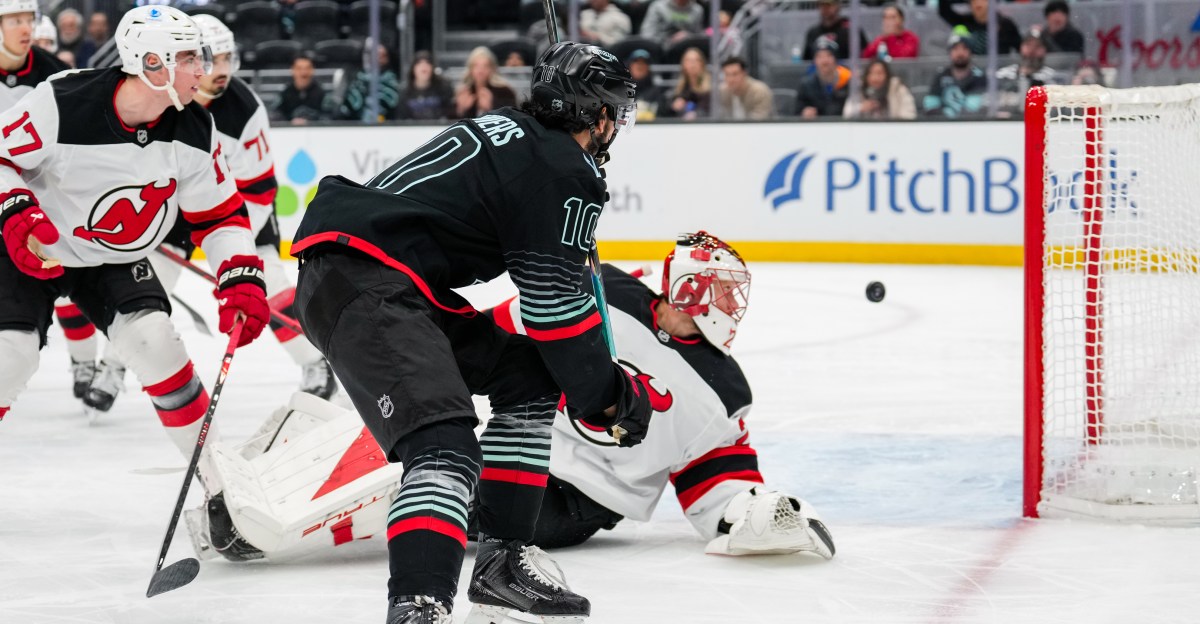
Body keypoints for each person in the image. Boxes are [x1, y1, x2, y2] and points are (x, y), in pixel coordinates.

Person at [185, 233, 837, 565]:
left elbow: (716, 479)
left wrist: (756, 513)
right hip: (521, 438)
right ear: (687, 289)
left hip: (574, 503)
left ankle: (258, 535)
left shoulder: (724, 389)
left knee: (435, 483)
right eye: (722, 292)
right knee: (424, 439)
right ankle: (258, 503)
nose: (732, 307)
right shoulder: (608, 291)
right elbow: (502, 335)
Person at [289, 41, 643, 623]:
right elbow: (553, 311)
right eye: (615, 113)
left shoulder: (515, 130)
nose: (616, 128)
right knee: (443, 446)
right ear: (597, 113)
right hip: (370, 282)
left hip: (374, 276)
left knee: (527, 378)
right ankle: (418, 605)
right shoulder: (563, 168)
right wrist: (606, 396)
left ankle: (502, 562)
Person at [0, 3, 269, 494]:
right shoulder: (62, 100)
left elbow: (221, 215)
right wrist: (16, 209)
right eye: (188, 58)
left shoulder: (194, 126)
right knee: (9, 356)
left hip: (110, 256)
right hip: (34, 244)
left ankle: (221, 489)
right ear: (151, 64)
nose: (201, 70)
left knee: (156, 343)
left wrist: (240, 273)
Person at [71, 14, 339, 414]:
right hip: (172, 210)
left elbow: (258, 190)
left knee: (269, 284)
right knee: (141, 290)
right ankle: (112, 368)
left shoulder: (244, 108)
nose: (222, 70)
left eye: (229, 59)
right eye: (214, 59)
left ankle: (314, 362)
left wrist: (232, 252)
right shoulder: (159, 100)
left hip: (239, 209)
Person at [923, 32, 986, 119]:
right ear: (950, 52)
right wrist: (945, 115)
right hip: (943, 124)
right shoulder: (941, 76)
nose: (960, 53)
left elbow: (974, 108)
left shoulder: (979, 77)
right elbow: (931, 105)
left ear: (971, 52)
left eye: (964, 48)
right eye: (955, 49)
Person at [338, 44, 403, 122]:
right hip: (354, 123)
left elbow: (393, 105)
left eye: (383, 55)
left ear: (388, 58)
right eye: (375, 54)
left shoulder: (392, 80)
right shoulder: (355, 77)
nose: (378, 58)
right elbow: (345, 106)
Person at [454, 46, 518, 119]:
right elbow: (447, 119)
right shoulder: (464, 92)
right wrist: (461, 110)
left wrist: (491, 107)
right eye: (476, 66)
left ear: (492, 69)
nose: (480, 70)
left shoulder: (505, 91)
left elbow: (512, 117)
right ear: (470, 69)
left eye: (485, 66)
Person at [937, 0, 1021, 56]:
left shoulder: (1005, 24)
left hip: (999, 70)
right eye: (973, 1)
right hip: (974, 72)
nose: (978, 3)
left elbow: (1020, 47)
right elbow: (944, 11)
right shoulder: (967, 22)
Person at [843, 59, 915, 120]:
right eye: (871, 73)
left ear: (887, 75)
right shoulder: (860, 90)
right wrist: (861, 108)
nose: (875, 78)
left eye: (879, 73)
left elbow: (909, 115)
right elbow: (846, 113)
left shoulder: (898, 89)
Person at [796, 37, 850, 119]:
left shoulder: (848, 81)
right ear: (814, 60)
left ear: (836, 59)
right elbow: (796, 113)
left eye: (829, 55)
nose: (824, 61)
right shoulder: (806, 85)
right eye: (819, 56)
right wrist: (804, 113)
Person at [396, 50, 454, 121]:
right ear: (413, 68)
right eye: (419, 63)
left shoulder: (444, 88)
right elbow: (401, 117)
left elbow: (450, 114)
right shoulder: (404, 92)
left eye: (428, 63)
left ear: (432, 68)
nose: (424, 66)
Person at [273, 55, 331, 123]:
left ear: (312, 70)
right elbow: (275, 114)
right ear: (292, 70)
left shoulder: (322, 93)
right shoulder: (284, 93)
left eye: (307, 68)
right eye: (299, 68)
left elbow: (328, 116)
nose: (303, 73)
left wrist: (311, 121)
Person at [803, 0, 867, 61]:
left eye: (829, 5)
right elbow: (806, 61)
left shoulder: (850, 30)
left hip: (848, 68)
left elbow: (865, 57)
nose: (825, 9)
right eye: (822, 5)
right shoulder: (813, 33)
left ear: (838, 6)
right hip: (820, 69)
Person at [718, 56, 773, 120]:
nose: (731, 79)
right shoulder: (723, 91)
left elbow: (760, 120)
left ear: (744, 73)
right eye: (727, 74)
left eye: (735, 74)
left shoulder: (759, 91)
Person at [663, 46, 710, 120]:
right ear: (683, 64)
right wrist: (673, 106)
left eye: (696, 60)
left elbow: (711, 110)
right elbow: (667, 108)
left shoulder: (711, 87)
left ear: (702, 64)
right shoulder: (678, 87)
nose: (693, 64)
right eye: (689, 60)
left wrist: (697, 114)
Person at [627, 48, 662, 121]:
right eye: (636, 62)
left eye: (644, 63)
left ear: (648, 68)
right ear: (630, 66)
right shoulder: (620, 90)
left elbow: (661, 116)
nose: (640, 66)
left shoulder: (657, 92)